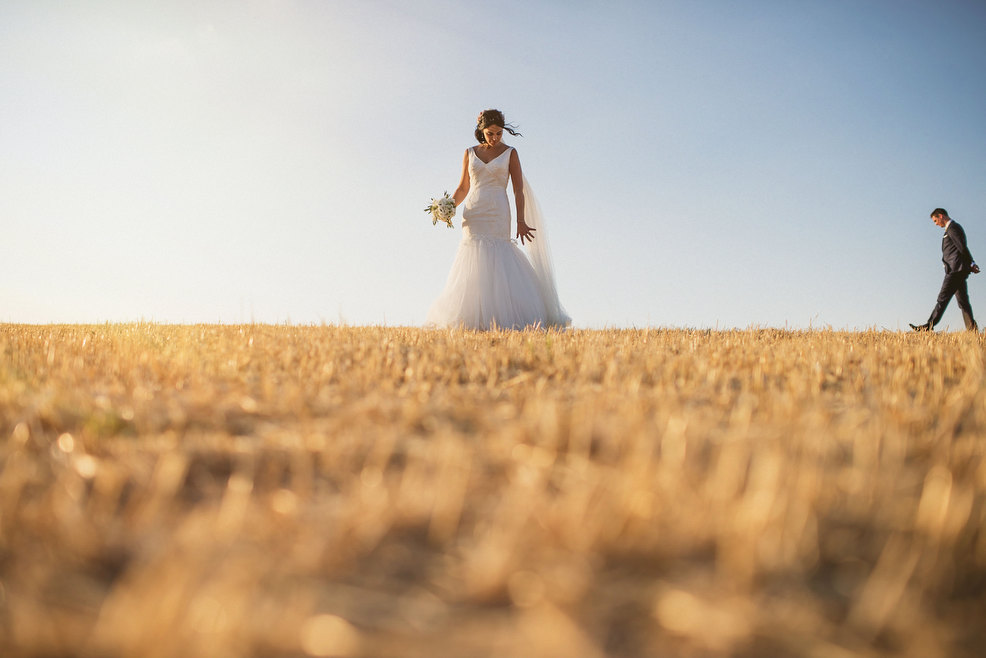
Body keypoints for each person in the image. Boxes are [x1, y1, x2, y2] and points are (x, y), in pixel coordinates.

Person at [426, 109, 571, 330]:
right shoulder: (469, 153)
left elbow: (518, 190)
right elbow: (463, 187)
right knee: (473, 258)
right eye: (490, 133)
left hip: (497, 211)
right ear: (481, 131)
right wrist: (447, 207)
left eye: (499, 133)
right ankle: (472, 318)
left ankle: (504, 317)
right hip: (474, 211)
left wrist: (521, 221)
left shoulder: (510, 153)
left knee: (499, 256)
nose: (494, 138)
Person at [910, 208, 980, 332]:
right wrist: (970, 264)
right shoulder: (951, 229)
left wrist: (971, 262)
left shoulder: (953, 228)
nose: (936, 224)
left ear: (941, 216)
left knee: (942, 298)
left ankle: (928, 326)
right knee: (963, 301)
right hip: (957, 269)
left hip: (955, 270)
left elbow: (962, 247)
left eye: (936, 220)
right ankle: (972, 330)